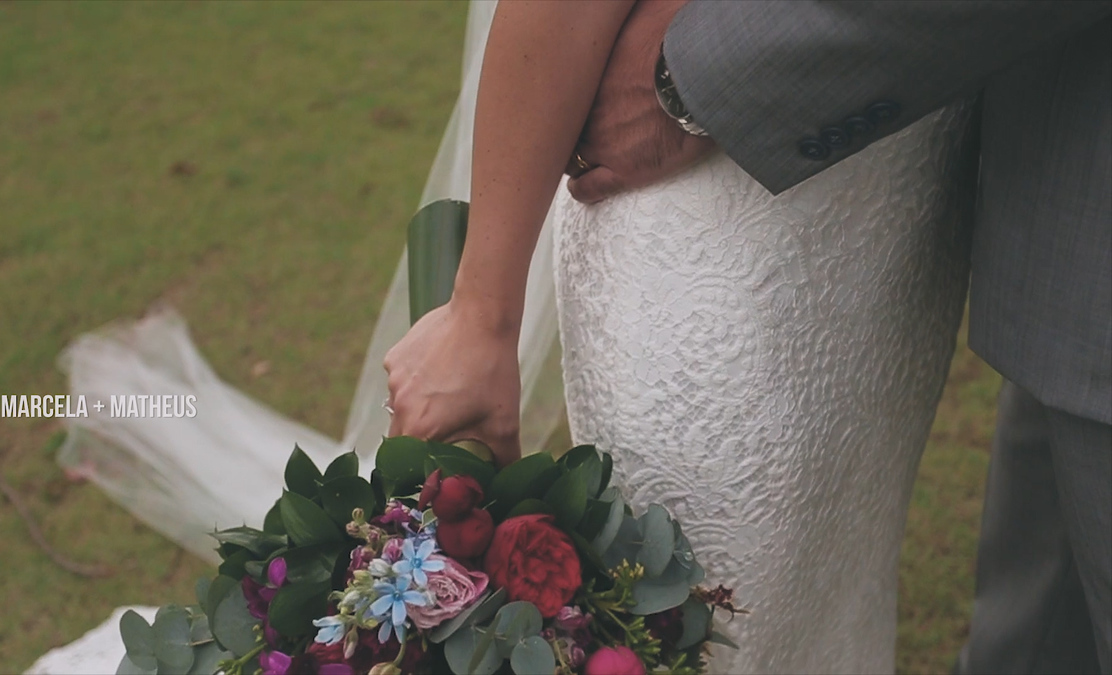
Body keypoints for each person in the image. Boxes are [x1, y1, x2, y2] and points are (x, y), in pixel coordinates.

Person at [387, 1, 1112, 673]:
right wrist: (483, 312)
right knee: (715, 613)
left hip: (891, 208)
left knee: (833, 602)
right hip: (719, 238)